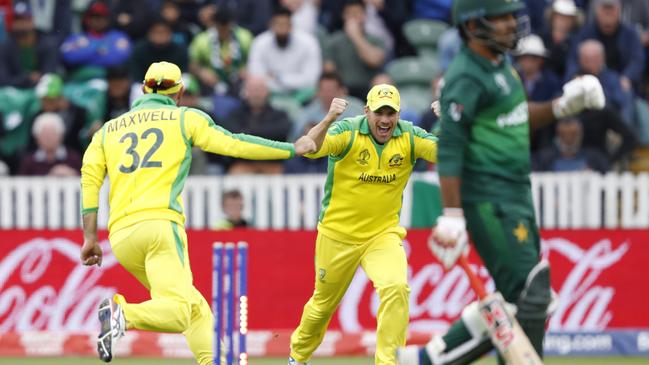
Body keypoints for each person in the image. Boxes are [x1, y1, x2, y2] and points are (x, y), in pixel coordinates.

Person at [397, 0, 606, 364]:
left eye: (512, 15)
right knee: (532, 294)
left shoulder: (502, 64)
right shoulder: (465, 75)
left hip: (516, 193)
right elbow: (450, 145)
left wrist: (563, 106)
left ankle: (425, 360)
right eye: (501, 16)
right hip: (488, 199)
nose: (512, 23)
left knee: (519, 299)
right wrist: (452, 214)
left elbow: (516, 116)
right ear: (473, 24)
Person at [79, 61, 318, 364]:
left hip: (122, 238)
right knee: (179, 311)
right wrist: (290, 149)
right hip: (160, 227)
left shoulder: (107, 131)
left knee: (195, 309)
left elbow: (89, 181)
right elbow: (235, 144)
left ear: (142, 89)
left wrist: (89, 237)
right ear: (179, 92)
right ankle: (122, 313)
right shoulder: (185, 118)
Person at [288, 84, 438, 365]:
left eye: (390, 113)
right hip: (337, 234)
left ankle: (388, 362)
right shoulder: (347, 131)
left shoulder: (409, 136)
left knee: (396, 288)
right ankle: (298, 356)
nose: (384, 120)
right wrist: (329, 118)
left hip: (382, 235)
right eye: (379, 112)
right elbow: (309, 148)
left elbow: (450, 156)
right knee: (322, 306)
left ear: (398, 114)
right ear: (367, 111)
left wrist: (453, 125)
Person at [533, 117, 610, 173]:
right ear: (557, 135)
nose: (568, 139)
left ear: (581, 134)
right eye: (563, 135)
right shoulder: (544, 159)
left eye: (573, 134)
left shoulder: (595, 159)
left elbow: (608, 179)